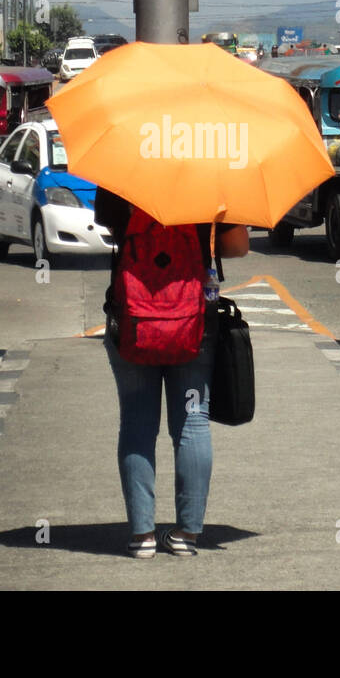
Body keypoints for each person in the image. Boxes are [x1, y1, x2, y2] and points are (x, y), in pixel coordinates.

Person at [94, 187, 250, 558]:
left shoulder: (121, 171)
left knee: (136, 421)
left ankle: (142, 536)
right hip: (194, 320)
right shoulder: (210, 170)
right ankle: (187, 534)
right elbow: (237, 246)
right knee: (193, 420)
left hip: (134, 320)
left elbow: (112, 230)